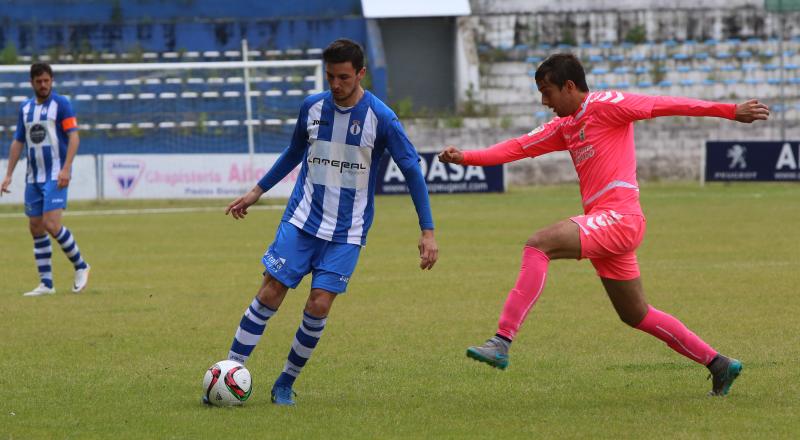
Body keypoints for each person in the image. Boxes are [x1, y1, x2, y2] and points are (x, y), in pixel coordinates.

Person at [438, 53, 769, 397]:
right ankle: (719, 364)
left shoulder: (608, 104)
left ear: (569, 86)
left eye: (547, 92)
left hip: (619, 219)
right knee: (635, 313)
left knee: (539, 244)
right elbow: (518, 147)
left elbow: (665, 104)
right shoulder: (565, 126)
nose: (544, 101)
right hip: (608, 225)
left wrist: (730, 111)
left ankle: (501, 341)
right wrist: (466, 157)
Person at [211, 39, 438, 406]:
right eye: (330, 76)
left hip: (347, 232)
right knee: (270, 292)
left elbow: (411, 170)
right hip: (301, 220)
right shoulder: (312, 107)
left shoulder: (381, 118)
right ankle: (228, 374)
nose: (336, 84)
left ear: (360, 74)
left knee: (319, 304)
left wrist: (427, 231)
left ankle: (285, 382)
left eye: (344, 77)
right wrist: (257, 191)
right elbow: (293, 152)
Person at [1, 63, 90, 296]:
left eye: (47, 81)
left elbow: (74, 137)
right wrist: (8, 174)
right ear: (32, 82)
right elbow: (18, 142)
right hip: (33, 177)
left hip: (56, 175)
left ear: (52, 81)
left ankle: (81, 266)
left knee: (51, 224)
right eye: (39, 81)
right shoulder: (25, 108)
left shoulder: (62, 104)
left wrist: (67, 168)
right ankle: (46, 284)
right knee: (36, 227)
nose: (43, 85)